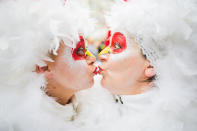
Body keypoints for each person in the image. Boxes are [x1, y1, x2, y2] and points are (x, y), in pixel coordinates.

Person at [96, 0, 197, 130]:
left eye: (116, 45)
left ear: (151, 67)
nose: (101, 55)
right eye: (107, 44)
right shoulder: (87, 105)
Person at [0, 0, 96, 130]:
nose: (92, 58)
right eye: (80, 51)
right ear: (43, 67)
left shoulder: (99, 101)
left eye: (86, 50)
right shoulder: (16, 124)